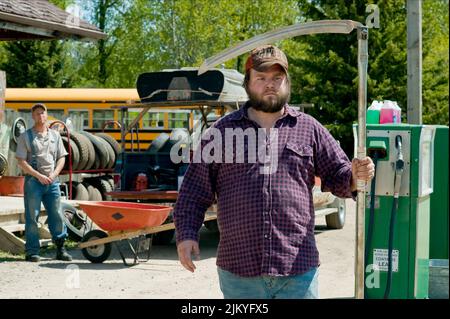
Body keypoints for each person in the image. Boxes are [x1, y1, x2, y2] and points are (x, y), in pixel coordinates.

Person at [173, 45, 374, 299]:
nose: (270, 84)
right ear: (247, 83)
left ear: (287, 82)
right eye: (261, 78)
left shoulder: (309, 128)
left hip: (298, 271)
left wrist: (356, 177)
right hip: (240, 274)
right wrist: (186, 234)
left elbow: (339, 174)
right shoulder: (221, 133)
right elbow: (193, 192)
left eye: (277, 78)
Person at [16, 103, 72, 262]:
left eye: (43, 113)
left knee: (57, 214)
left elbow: (62, 157)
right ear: (32, 117)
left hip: (52, 181)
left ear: (47, 115)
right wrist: (38, 176)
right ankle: (32, 252)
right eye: (37, 113)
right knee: (32, 217)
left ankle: (61, 249)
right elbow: (21, 161)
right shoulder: (25, 136)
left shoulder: (55, 136)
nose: (40, 116)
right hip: (33, 182)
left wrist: (54, 174)